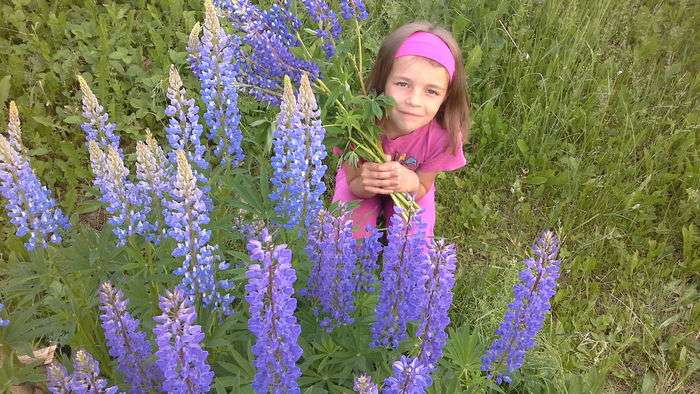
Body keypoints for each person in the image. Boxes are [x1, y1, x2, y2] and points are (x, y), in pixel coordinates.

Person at [332, 21, 471, 239]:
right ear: (383, 81)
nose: (414, 101)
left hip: (411, 187)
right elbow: (353, 183)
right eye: (403, 84)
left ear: (446, 97)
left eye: (431, 91)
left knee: (415, 240)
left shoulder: (442, 137)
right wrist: (365, 186)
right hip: (360, 182)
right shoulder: (357, 123)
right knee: (345, 234)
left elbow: (424, 185)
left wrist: (412, 183)